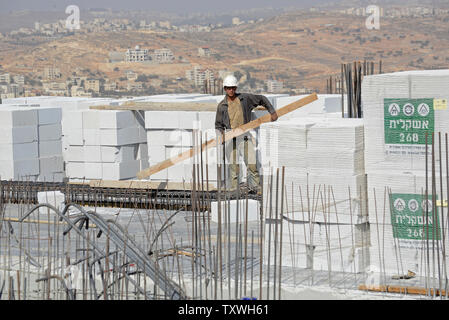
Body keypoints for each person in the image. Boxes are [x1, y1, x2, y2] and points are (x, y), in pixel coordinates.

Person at [215, 75, 278, 193]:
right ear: (225, 89)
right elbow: (218, 125)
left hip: (244, 135)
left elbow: (262, 98)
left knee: (251, 163)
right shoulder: (222, 106)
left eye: (233, 88)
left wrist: (272, 112)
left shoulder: (245, 99)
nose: (231, 90)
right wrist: (221, 136)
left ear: (236, 87)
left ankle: (256, 187)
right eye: (228, 88)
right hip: (230, 137)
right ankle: (234, 188)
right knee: (233, 166)